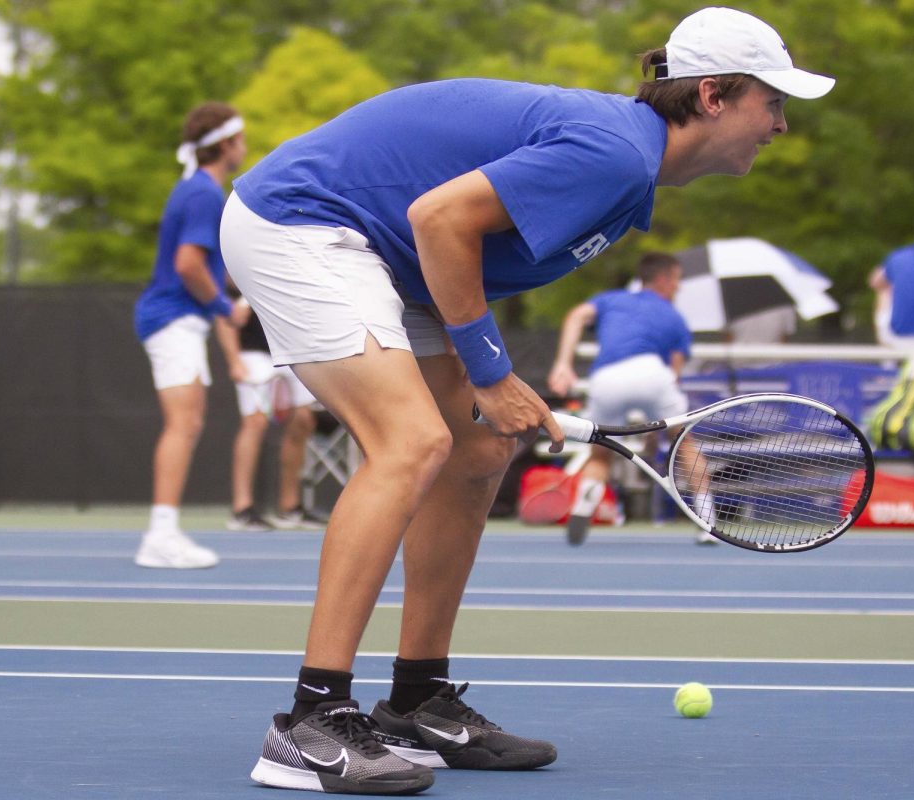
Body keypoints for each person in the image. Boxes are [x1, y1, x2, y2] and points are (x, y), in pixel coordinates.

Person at [221, 7, 834, 794]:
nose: (780, 124)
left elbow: (451, 239)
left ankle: (416, 701)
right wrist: (489, 373)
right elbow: (439, 219)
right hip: (305, 224)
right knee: (411, 444)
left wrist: (494, 382)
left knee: (477, 451)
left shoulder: (628, 166)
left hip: (389, 258)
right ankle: (309, 720)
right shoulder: (615, 153)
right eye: (772, 102)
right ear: (713, 95)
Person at [132, 101, 250, 569]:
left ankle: (163, 532)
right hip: (172, 319)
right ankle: (160, 537)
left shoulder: (195, 191)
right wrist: (224, 306)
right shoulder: (203, 194)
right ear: (225, 145)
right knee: (183, 424)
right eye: (240, 140)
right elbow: (187, 265)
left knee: (189, 423)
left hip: (178, 320)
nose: (244, 148)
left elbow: (204, 268)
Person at [548, 252, 716, 546]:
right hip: (653, 374)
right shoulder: (674, 315)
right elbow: (675, 371)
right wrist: (659, 423)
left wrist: (563, 363)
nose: (678, 287)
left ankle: (584, 506)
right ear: (663, 280)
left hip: (607, 378)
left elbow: (575, 316)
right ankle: (707, 522)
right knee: (685, 443)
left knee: (599, 452)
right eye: (677, 280)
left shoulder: (610, 299)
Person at [217, 295, 318, 530]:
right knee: (256, 422)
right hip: (252, 353)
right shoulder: (239, 266)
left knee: (303, 420)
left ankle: (290, 507)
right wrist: (234, 361)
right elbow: (226, 315)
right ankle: (242, 508)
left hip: (293, 351)